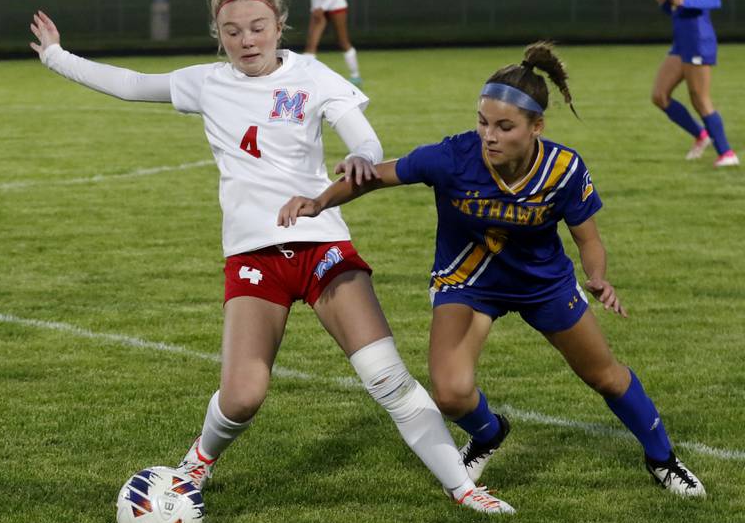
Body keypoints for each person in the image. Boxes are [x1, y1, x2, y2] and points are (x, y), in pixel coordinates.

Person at [29, 0, 513, 515]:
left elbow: (362, 137)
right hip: (253, 256)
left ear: (278, 25)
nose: (246, 40)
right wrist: (56, 57)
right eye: (232, 32)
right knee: (242, 395)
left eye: (257, 28)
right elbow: (134, 85)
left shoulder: (310, 74)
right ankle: (194, 467)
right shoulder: (207, 83)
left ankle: (464, 489)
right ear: (220, 37)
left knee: (387, 378)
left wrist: (361, 157)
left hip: (321, 245)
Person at [279, 42, 707, 499]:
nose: (490, 135)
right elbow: (376, 176)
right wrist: (319, 201)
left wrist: (598, 278)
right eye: (483, 122)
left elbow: (589, 239)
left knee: (604, 376)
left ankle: (662, 458)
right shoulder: (454, 157)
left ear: (536, 126)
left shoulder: (563, 168)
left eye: (505, 126)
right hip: (469, 283)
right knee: (451, 393)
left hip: (543, 284)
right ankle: (488, 432)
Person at [652, 0, 738, 167]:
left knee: (700, 99)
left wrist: (685, 0)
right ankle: (701, 135)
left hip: (698, 42)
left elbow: (713, 0)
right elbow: (677, 10)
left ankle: (727, 153)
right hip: (682, 44)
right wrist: (665, 3)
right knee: (659, 95)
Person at [304, 0, 361, 85]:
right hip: (318, 9)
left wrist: (324, 6)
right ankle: (305, 81)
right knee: (311, 44)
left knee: (343, 41)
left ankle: (355, 76)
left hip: (336, 6)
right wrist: (315, 8)